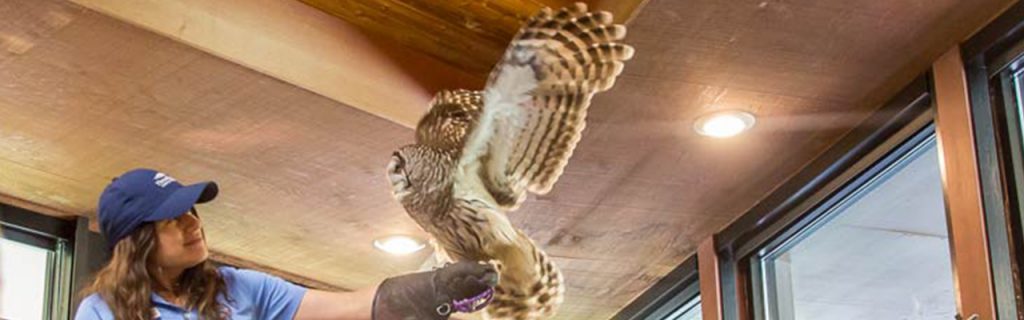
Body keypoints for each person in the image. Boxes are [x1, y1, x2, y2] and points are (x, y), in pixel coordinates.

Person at [75, 168, 498, 320]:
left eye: (192, 211)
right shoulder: (101, 313)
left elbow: (349, 308)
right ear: (139, 241)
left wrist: (433, 290)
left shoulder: (236, 288)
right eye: (174, 218)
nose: (193, 223)